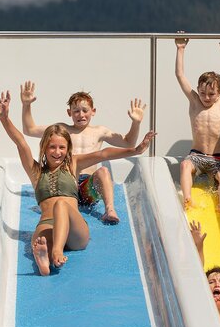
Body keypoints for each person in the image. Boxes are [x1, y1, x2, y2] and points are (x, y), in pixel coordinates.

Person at [0, 90, 155, 276]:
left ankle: (56, 251)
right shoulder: (36, 172)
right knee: (39, 241)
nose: (57, 152)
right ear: (44, 148)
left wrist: (136, 150)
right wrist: (4, 119)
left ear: (68, 149)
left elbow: (103, 154)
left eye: (62, 147)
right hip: (47, 224)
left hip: (76, 231)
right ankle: (45, 263)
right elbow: (21, 143)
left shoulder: (73, 164)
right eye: (52, 147)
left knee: (61, 204)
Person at [20, 82, 147, 224]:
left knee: (103, 171)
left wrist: (136, 123)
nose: (81, 115)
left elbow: (128, 143)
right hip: (66, 185)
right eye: (76, 111)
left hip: (88, 189)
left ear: (93, 111)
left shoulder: (100, 131)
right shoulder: (61, 131)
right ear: (69, 113)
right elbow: (29, 130)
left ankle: (110, 210)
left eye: (85, 110)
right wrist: (26, 105)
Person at [175, 35, 220, 214]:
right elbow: (180, 75)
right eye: (202, 93)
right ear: (198, 90)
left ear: (219, 93)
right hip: (196, 155)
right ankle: (188, 199)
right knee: (185, 165)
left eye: (211, 94)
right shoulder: (194, 101)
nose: (206, 97)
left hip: (216, 158)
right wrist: (180, 49)